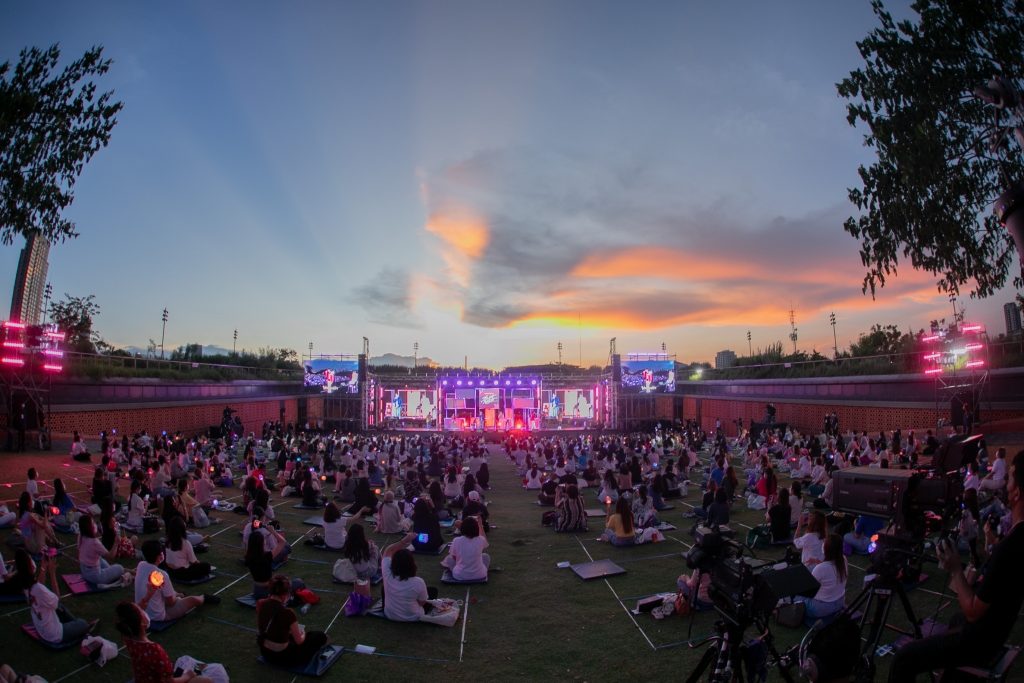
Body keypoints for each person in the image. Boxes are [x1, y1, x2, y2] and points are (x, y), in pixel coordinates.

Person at [890, 449, 1024, 680]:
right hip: (997, 629)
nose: (1005, 483)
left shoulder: (1009, 548)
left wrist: (954, 568)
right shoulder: (1016, 538)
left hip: (981, 640)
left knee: (903, 659)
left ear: (1017, 493)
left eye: (1010, 478)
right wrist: (993, 542)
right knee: (955, 620)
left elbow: (972, 611)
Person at [116, 600, 217, 683]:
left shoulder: (127, 639)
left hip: (142, 679)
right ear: (142, 622)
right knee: (207, 680)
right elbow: (169, 682)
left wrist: (149, 593)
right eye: (141, 610)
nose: (143, 609)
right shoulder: (154, 650)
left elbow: (132, 615)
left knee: (186, 663)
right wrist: (187, 676)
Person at [16, 549, 96, 645]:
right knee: (82, 623)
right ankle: (80, 627)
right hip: (55, 635)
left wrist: (43, 567)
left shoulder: (26, 585)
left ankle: (74, 625)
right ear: (30, 566)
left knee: (61, 609)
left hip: (41, 629)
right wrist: (52, 573)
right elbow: (57, 599)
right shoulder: (38, 589)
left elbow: (39, 585)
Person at [134, 540, 218, 624]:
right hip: (157, 616)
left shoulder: (141, 565)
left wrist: (176, 594)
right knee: (193, 599)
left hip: (141, 610)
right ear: (159, 556)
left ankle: (178, 594)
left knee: (171, 594)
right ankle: (203, 598)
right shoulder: (162, 575)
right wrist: (176, 598)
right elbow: (171, 603)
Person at [256, 574, 328, 668]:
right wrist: (303, 633)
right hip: (285, 657)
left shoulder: (261, 603)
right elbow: (299, 641)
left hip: (266, 653)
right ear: (286, 594)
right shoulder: (287, 612)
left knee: (291, 635)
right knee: (320, 636)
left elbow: (264, 626)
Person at [381, 532, 437, 622]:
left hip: (390, 614)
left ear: (393, 563)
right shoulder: (418, 582)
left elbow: (389, 550)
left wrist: (405, 540)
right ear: (412, 564)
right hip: (413, 617)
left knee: (384, 588)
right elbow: (421, 603)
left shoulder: (387, 574)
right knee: (433, 591)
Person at [799, 533, 847, 625]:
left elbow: (808, 590)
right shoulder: (843, 559)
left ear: (826, 549)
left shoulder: (821, 568)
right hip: (840, 602)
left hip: (821, 608)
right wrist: (818, 562)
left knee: (796, 597)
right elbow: (830, 572)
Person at [77, 515, 131, 586]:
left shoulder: (81, 535)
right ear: (90, 527)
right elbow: (110, 556)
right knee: (119, 568)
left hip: (84, 570)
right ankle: (122, 572)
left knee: (100, 559)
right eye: (93, 523)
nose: (95, 524)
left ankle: (130, 571)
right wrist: (116, 543)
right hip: (96, 577)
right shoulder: (94, 542)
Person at [162, 517, 212, 583]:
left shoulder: (167, 542)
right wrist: (198, 563)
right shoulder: (185, 543)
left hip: (170, 571)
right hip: (183, 573)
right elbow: (193, 561)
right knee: (206, 566)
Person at [441, 516, 489, 581]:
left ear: (462, 528)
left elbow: (454, 557)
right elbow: (485, 542)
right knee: (486, 556)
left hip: (459, 575)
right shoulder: (481, 539)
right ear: (476, 528)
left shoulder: (456, 540)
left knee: (449, 558)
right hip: (480, 575)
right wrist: (480, 524)